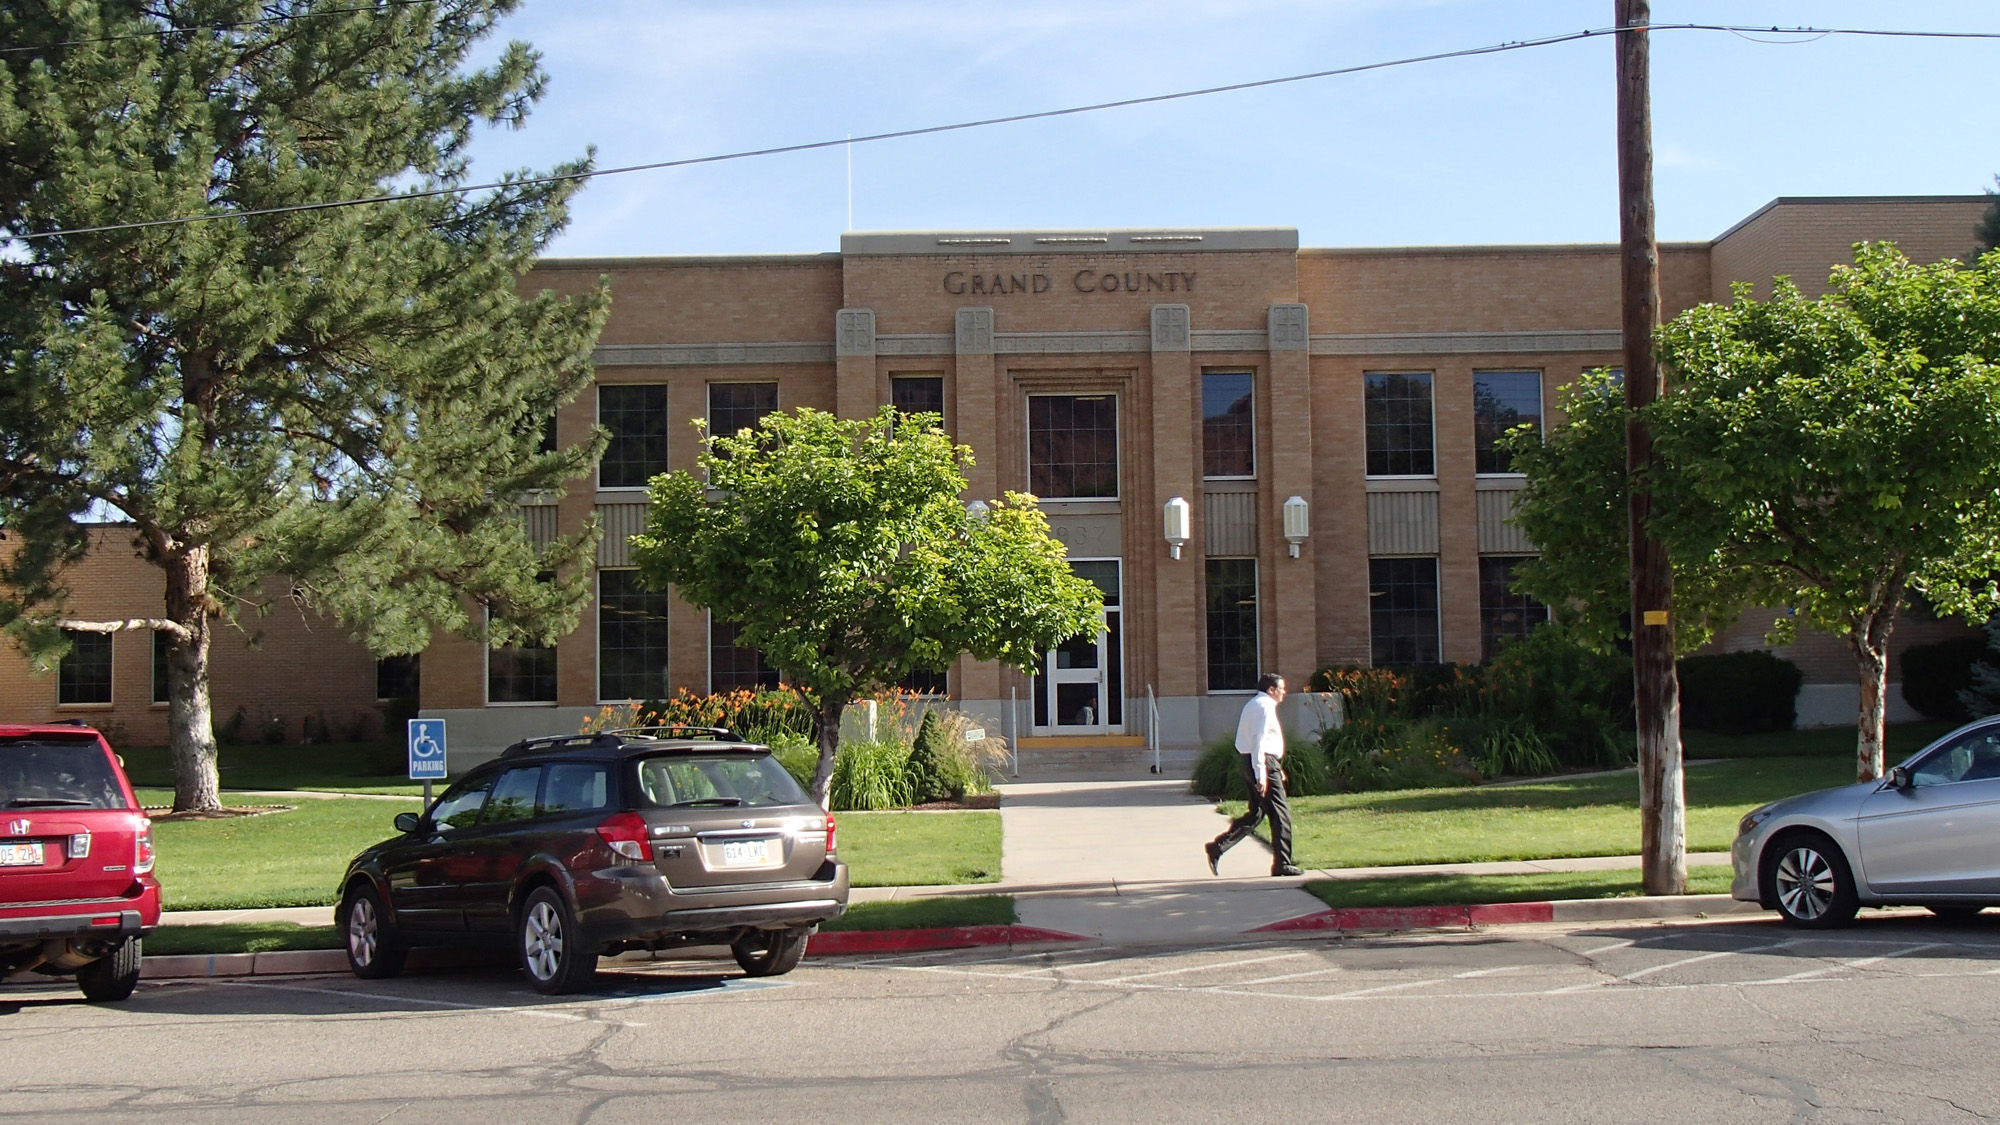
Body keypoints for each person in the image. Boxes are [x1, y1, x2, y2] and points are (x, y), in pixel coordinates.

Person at [1205, 673, 1301, 877]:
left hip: (1254, 762)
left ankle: (1218, 847)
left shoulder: (1253, 704)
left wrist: (1273, 768)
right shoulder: (1264, 707)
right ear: (1271, 690)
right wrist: (1262, 776)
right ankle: (1282, 864)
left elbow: (1260, 742)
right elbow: (1258, 741)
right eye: (1281, 688)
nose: (1284, 692)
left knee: (1257, 813)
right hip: (1261, 763)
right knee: (1281, 815)